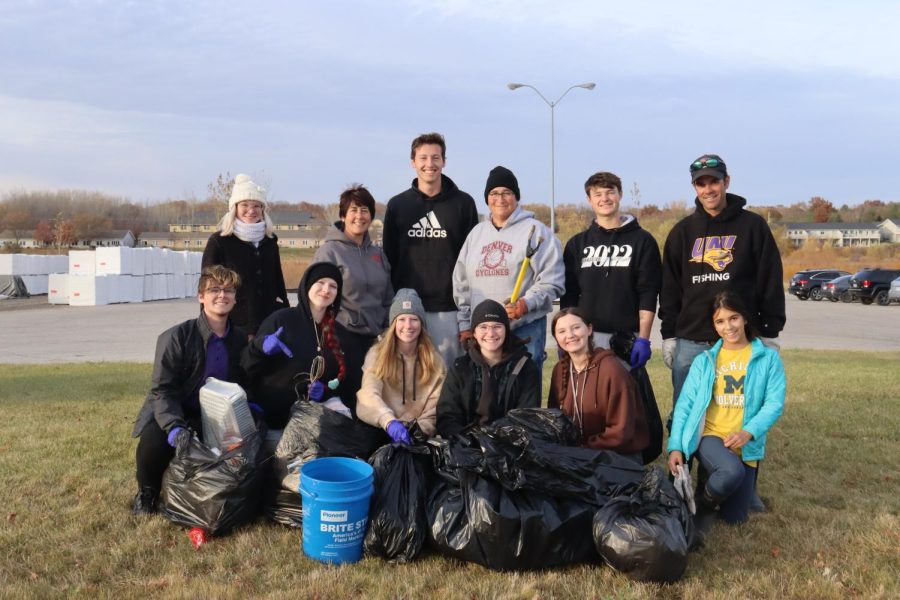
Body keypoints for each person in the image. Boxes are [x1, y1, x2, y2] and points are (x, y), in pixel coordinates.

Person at [659, 154, 785, 412]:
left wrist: (770, 331)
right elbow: (670, 287)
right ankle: (682, 453)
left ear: (726, 181)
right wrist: (669, 334)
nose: (708, 189)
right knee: (687, 409)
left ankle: (736, 453)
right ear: (695, 187)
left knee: (738, 409)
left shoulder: (753, 226)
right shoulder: (682, 232)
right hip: (691, 339)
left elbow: (770, 279)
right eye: (701, 184)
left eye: (713, 182)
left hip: (741, 337)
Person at [667, 291, 785, 542]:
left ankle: (710, 485)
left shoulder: (768, 358)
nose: (728, 326)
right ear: (713, 324)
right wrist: (676, 446)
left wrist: (748, 432)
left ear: (744, 319)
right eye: (720, 321)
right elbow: (685, 406)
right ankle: (703, 504)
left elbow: (773, 404)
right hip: (712, 436)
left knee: (735, 519)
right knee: (731, 472)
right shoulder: (705, 360)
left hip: (745, 441)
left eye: (733, 318)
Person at [131, 265, 249, 514]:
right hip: (177, 410)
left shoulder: (238, 339)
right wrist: (174, 426)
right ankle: (147, 493)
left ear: (235, 298)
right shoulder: (176, 337)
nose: (222, 295)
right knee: (154, 438)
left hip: (214, 416)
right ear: (201, 297)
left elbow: (241, 381)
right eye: (214, 290)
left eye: (228, 290)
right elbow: (162, 390)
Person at [453, 166, 564, 375]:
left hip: (524, 328)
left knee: (523, 393)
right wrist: (465, 324)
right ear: (487, 198)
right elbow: (461, 284)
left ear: (516, 197)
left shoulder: (536, 231)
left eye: (507, 193)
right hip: (485, 333)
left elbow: (552, 281)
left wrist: (526, 303)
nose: (500, 199)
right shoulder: (476, 234)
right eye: (494, 193)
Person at [383, 132, 480, 369]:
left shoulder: (463, 203)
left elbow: (472, 259)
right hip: (407, 310)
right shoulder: (398, 205)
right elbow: (389, 258)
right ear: (413, 162)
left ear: (444, 161)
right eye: (423, 158)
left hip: (449, 308)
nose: (430, 164)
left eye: (435, 158)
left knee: (448, 375)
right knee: (408, 374)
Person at [242, 262, 353, 441]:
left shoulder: (339, 334)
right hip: (274, 423)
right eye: (321, 283)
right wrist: (259, 348)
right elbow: (246, 366)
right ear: (307, 285)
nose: (326, 289)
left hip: (312, 425)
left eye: (333, 286)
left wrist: (324, 391)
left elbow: (343, 381)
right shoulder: (281, 320)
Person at [560, 171, 661, 369]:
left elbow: (648, 293)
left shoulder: (643, 241)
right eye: (597, 194)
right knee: (586, 397)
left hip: (624, 339)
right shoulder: (577, 244)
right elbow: (569, 296)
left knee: (622, 397)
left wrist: (643, 338)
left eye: (610, 192)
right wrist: (565, 334)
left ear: (620, 194)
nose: (604, 199)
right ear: (589, 200)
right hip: (585, 337)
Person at [313, 184, 393, 399]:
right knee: (346, 397)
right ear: (343, 215)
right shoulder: (329, 251)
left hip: (376, 340)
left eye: (364, 210)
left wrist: (387, 330)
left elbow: (387, 296)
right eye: (353, 210)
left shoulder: (377, 254)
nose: (359, 216)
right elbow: (315, 298)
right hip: (342, 336)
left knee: (372, 397)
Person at [548, 308, 649, 463]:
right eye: (561, 331)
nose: (570, 335)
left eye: (576, 328)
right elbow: (554, 419)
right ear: (556, 338)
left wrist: (582, 450)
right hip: (578, 453)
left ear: (589, 329)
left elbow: (620, 433)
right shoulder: (559, 370)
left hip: (617, 456)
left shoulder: (612, 370)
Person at [436, 299, 541, 438]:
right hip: (467, 445)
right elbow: (447, 416)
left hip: (509, 446)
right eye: (483, 327)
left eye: (497, 326)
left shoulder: (525, 368)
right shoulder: (460, 368)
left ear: (506, 330)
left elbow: (527, 417)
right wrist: (469, 442)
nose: (491, 333)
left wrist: (497, 443)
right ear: (474, 333)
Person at [202, 173, 288, 336]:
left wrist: (284, 310)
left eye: (257, 206)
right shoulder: (219, 242)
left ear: (263, 209)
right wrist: (208, 327)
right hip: (234, 325)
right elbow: (207, 288)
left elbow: (278, 280)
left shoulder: (270, 240)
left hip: (269, 323)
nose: (251, 210)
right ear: (235, 208)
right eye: (245, 205)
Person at [356, 288, 446, 441]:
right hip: (382, 429)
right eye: (402, 319)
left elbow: (436, 406)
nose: (408, 325)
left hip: (418, 437)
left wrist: (419, 431)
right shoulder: (377, 354)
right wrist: (389, 422)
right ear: (393, 324)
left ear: (421, 324)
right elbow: (368, 394)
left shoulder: (435, 361)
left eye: (414, 319)